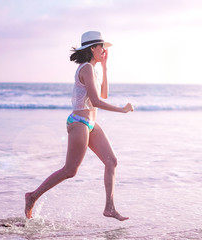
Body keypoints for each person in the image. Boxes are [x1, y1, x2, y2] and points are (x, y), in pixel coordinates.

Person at [25, 31, 134, 221]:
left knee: (111, 161)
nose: (104, 51)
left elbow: (104, 95)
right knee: (70, 170)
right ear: (93, 48)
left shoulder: (94, 70)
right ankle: (32, 196)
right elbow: (96, 101)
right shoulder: (86, 69)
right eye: (102, 47)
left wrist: (105, 67)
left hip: (90, 123)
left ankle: (109, 207)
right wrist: (122, 110)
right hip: (79, 123)